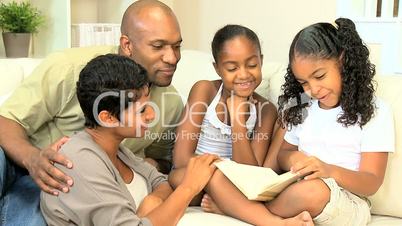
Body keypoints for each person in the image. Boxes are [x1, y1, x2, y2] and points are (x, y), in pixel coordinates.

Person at [0, 0, 183, 225]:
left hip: (73, 184)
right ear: (127, 44)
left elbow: (162, 162)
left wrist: (152, 189)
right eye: (158, 46)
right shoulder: (69, 67)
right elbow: (6, 120)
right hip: (23, 162)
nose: (172, 58)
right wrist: (33, 159)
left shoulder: (170, 101)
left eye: (177, 46)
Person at [41, 54, 218, 226]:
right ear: (108, 118)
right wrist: (189, 187)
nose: (152, 115)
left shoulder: (117, 150)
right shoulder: (81, 162)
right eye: (142, 111)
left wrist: (152, 202)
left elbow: (161, 182)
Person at [273, 18, 395, 225]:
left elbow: (371, 182)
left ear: (343, 61)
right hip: (298, 190)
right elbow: (282, 155)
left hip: (348, 200)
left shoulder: (374, 111)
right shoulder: (303, 106)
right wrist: (295, 160)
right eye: (303, 82)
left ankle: (255, 212)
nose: (312, 89)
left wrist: (328, 170)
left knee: (314, 191)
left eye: (319, 76)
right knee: (223, 178)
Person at [169, 24, 279, 204]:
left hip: (236, 183)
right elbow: (181, 160)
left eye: (252, 64)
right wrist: (219, 176)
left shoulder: (266, 110)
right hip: (195, 176)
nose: (243, 74)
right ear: (217, 69)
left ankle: (223, 200)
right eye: (232, 68)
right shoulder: (204, 90)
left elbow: (251, 175)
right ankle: (224, 200)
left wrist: (238, 121)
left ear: (261, 61)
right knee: (179, 178)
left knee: (234, 188)